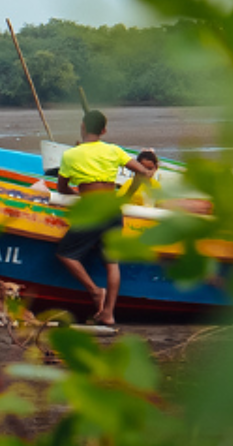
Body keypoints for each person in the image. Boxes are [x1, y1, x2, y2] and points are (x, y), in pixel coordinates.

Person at [53, 109, 158, 327]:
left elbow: (61, 188)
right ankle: (108, 313)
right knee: (112, 263)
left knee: (65, 254)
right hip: (112, 208)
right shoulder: (113, 150)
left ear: (82, 126)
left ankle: (94, 291)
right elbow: (143, 172)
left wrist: (78, 196)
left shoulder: (71, 155)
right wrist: (127, 196)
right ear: (104, 131)